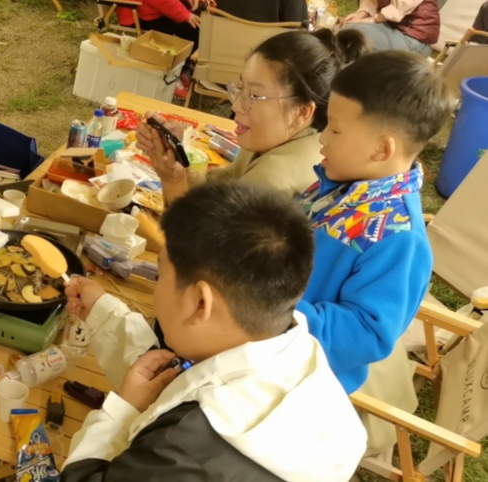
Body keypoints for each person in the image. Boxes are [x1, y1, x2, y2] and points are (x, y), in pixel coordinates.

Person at [61, 182, 366, 481]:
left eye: (160, 275)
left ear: (200, 303)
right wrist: (104, 313)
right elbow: (181, 379)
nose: (156, 289)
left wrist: (121, 410)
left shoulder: (178, 451)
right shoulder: (292, 345)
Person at [296, 50, 454, 393]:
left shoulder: (400, 238)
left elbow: (366, 332)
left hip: (298, 379)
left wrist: (269, 309)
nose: (322, 137)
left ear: (382, 149)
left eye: (335, 129)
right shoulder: (343, 184)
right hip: (259, 337)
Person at [139, 29, 367, 204]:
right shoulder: (274, 138)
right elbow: (216, 189)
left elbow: (194, 248)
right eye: (241, 89)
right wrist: (177, 160)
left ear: (302, 111)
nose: (236, 105)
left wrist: (172, 179)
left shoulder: (273, 179)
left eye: (255, 96)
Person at [340, 0, 440, 56]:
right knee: (346, 31)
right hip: (390, 26)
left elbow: (401, 6)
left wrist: (372, 20)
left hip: (414, 39)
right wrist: (362, 13)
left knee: (357, 35)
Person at [115, 0, 202, 47]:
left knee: (200, 17)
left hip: (151, 11)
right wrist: (185, 14)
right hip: (139, 17)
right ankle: (183, 67)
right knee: (198, 27)